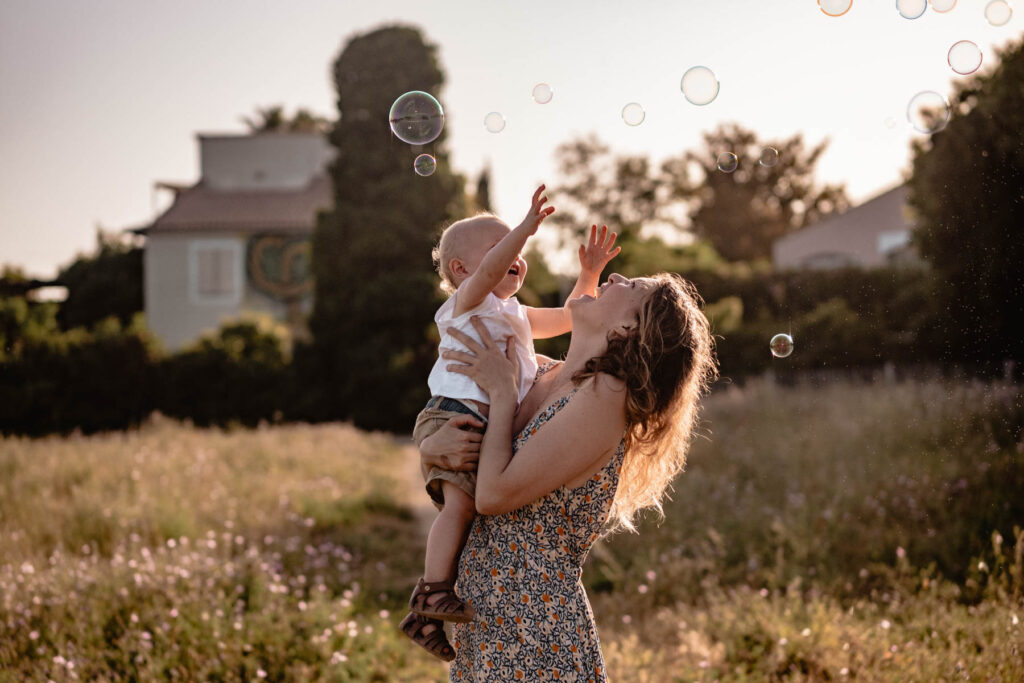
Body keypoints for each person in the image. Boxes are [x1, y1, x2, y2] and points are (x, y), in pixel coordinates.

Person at [419, 271, 717, 681]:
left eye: (631, 287)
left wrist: (503, 394)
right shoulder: (538, 372)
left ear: (627, 328)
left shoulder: (605, 396)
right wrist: (431, 449)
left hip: (536, 633)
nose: (615, 275)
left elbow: (493, 494)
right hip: (486, 623)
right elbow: (465, 491)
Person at [400, 185, 622, 661]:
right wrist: (523, 228)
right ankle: (432, 592)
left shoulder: (516, 315)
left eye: (519, 251)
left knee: (465, 513)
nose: (517, 257)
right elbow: (488, 271)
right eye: (502, 249)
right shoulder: (468, 301)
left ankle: (424, 612)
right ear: (462, 270)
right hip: (454, 413)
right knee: (458, 510)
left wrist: (589, 274)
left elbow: (569, 318)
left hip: (478, 420)